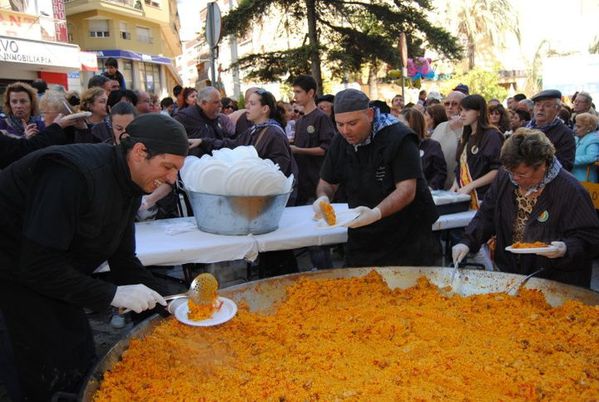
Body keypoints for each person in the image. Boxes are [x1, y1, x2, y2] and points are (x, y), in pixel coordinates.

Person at [0, 114, 189, 401]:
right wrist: (111, 294)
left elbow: (124, 261)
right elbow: (36, 265)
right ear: (140, 152)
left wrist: (175, 306)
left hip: (52, 268)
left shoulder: (130, 183)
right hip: (12, 267)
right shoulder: (72, 175)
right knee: (35, 358)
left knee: (77, 348)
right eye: (168, 167)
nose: (172, 179)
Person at [452, 128, 599, 288]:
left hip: (555, 280)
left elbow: (590, 238)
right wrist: (467, 241)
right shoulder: (505, 177)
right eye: (511, 172)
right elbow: (487, 213)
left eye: (522, 174)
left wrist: (565, 248)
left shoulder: (571, 190)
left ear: (542, 165)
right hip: (510, 272)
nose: (515, 178)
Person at [315, 88, 439, 267]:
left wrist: (376, 213)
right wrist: (323, 198)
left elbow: (406, 190)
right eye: (339, 124)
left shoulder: (400, 138)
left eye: (352, 123)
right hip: (362, 236)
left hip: (407, 237)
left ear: (370, 114)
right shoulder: (340, 141)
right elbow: (327, 182)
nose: (345, 131)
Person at [451, 94, 504, 209]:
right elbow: (460, 167)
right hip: (464, 196)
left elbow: (497, 170)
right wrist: (455, 184)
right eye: (461, 110)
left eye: (467, 110)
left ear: (479, 112)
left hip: (484, 199)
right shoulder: (465, 137)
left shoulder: (492, 135)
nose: (462, 114)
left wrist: (470, 186)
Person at [290, 75, 336, 205]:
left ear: (310, 93)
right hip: (302, 182)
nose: (295, 96)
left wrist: (298, 150)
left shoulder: (321, 118)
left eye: (298, 92)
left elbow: (326, 149)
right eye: (294, 92)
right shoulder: (299, 121)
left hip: (317, 182)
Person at [526, 89, 575, 171]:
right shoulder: (524, 127)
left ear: (558, 110)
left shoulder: (565, 134)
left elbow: (565, 166)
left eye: (547, 105)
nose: (540, 109)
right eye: (537, 105)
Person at [174, 86, 230, 157]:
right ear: (204, 103)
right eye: (216, 102)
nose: (220, 105)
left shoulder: (215, 117)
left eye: (220, 101)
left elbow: (223, 142)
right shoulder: (183, 118)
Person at [401, 108, 447, 190]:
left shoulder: (432, 146)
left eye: (402, 124)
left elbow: (440, 173)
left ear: (413, 124)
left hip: (425, 194)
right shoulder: (397, 147)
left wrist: (431, 187)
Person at [431, 91, 465, 189]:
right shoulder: (439, 127)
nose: (450, 107)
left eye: (454, 104)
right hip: (438, 187)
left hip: (458, 188)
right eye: (447, 103)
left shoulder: (468, 128)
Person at [572, 113, 599, 182]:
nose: (575, 129)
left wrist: (571, 160)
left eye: (579, 127)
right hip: (574, 176)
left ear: (589, 128)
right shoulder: (577, 138)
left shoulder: (593, 139)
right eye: (575, 126)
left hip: (585, 179)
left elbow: (592, 157)